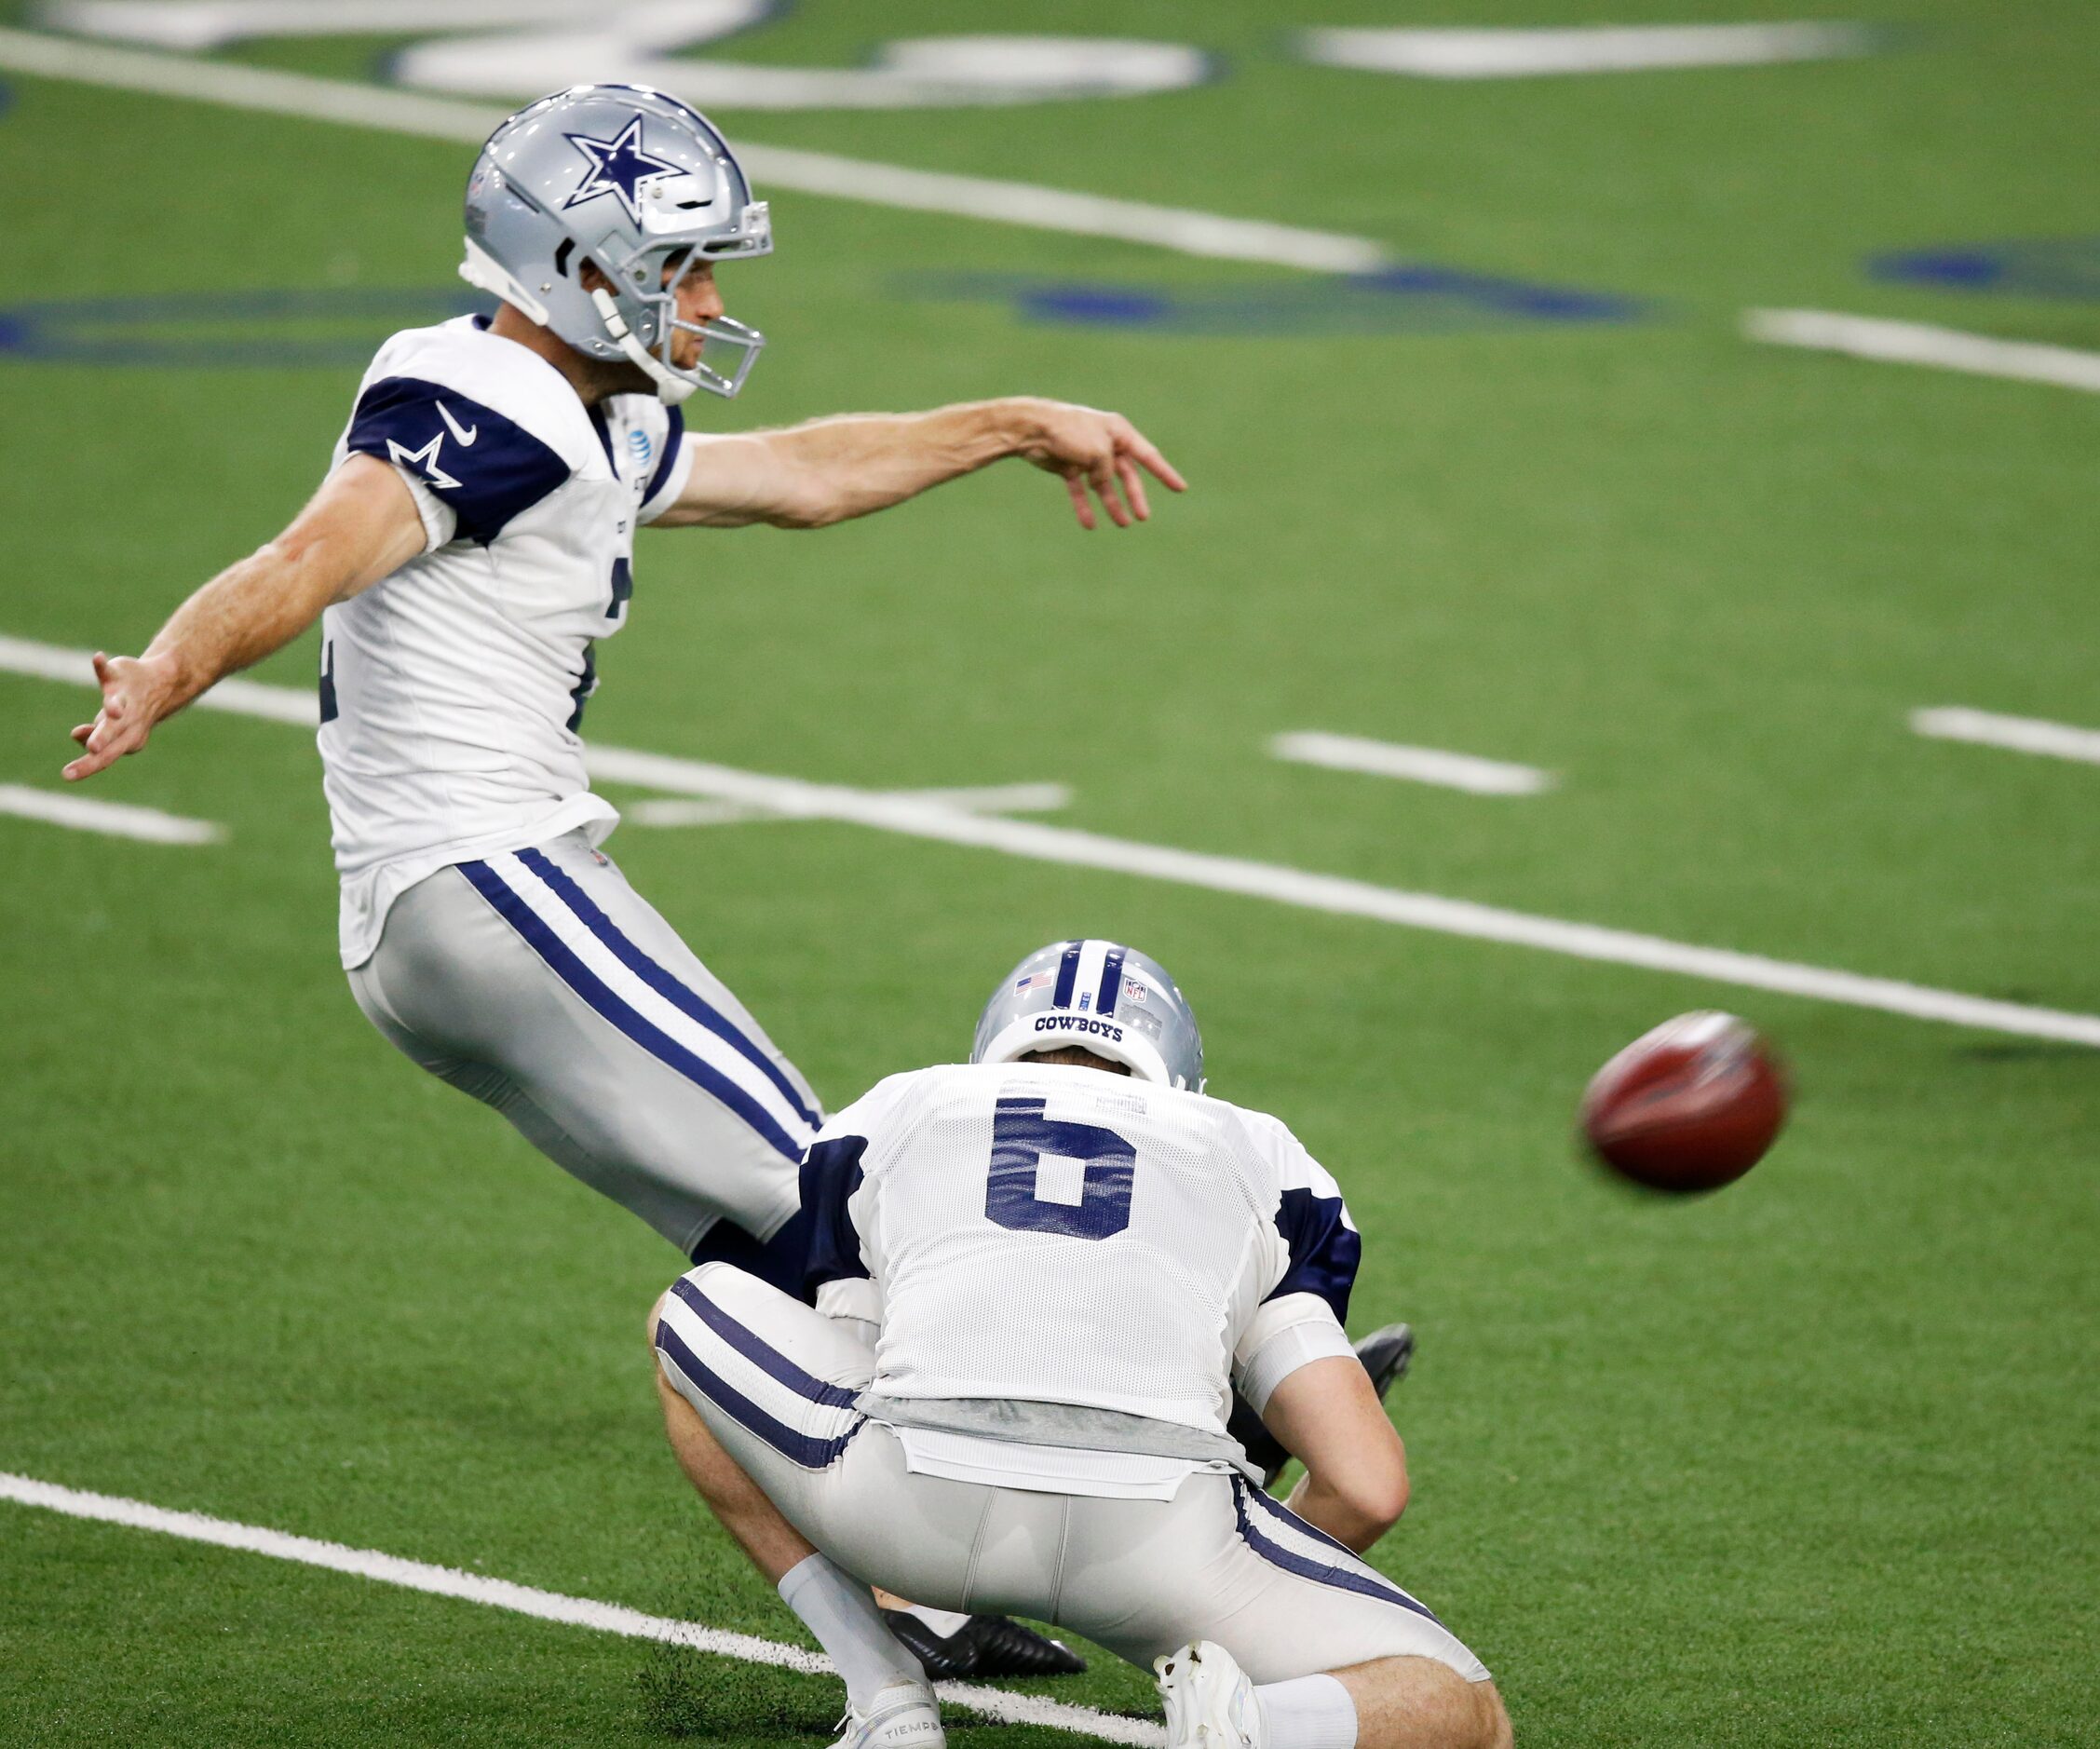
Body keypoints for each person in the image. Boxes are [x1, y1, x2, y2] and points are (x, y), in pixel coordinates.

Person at [61, 82, 1183, 1682]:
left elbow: (795, 471)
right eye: (691, 268)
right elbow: (316, 550)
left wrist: (1006, 423)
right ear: (584, 264)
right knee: (848, 1195)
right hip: (485, 876)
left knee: (776, 1253)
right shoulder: (485, 399)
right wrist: (174, 664)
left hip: (421, 925)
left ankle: (907, 1606)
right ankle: (1132, 1485)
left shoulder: (578, 408)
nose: (714, 302)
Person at [649, 940, 1514, 1749]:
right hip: (1159, 1540)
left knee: (686, 1312)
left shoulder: (902, 1110)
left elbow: (852, 1351)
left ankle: (885, 1697)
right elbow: (1367, 1488)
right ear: (1179, 1074)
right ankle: (1254, 1719)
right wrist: (1231, 1584)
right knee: (1457, 1703)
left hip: (905, 1515)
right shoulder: (1262, 1156)